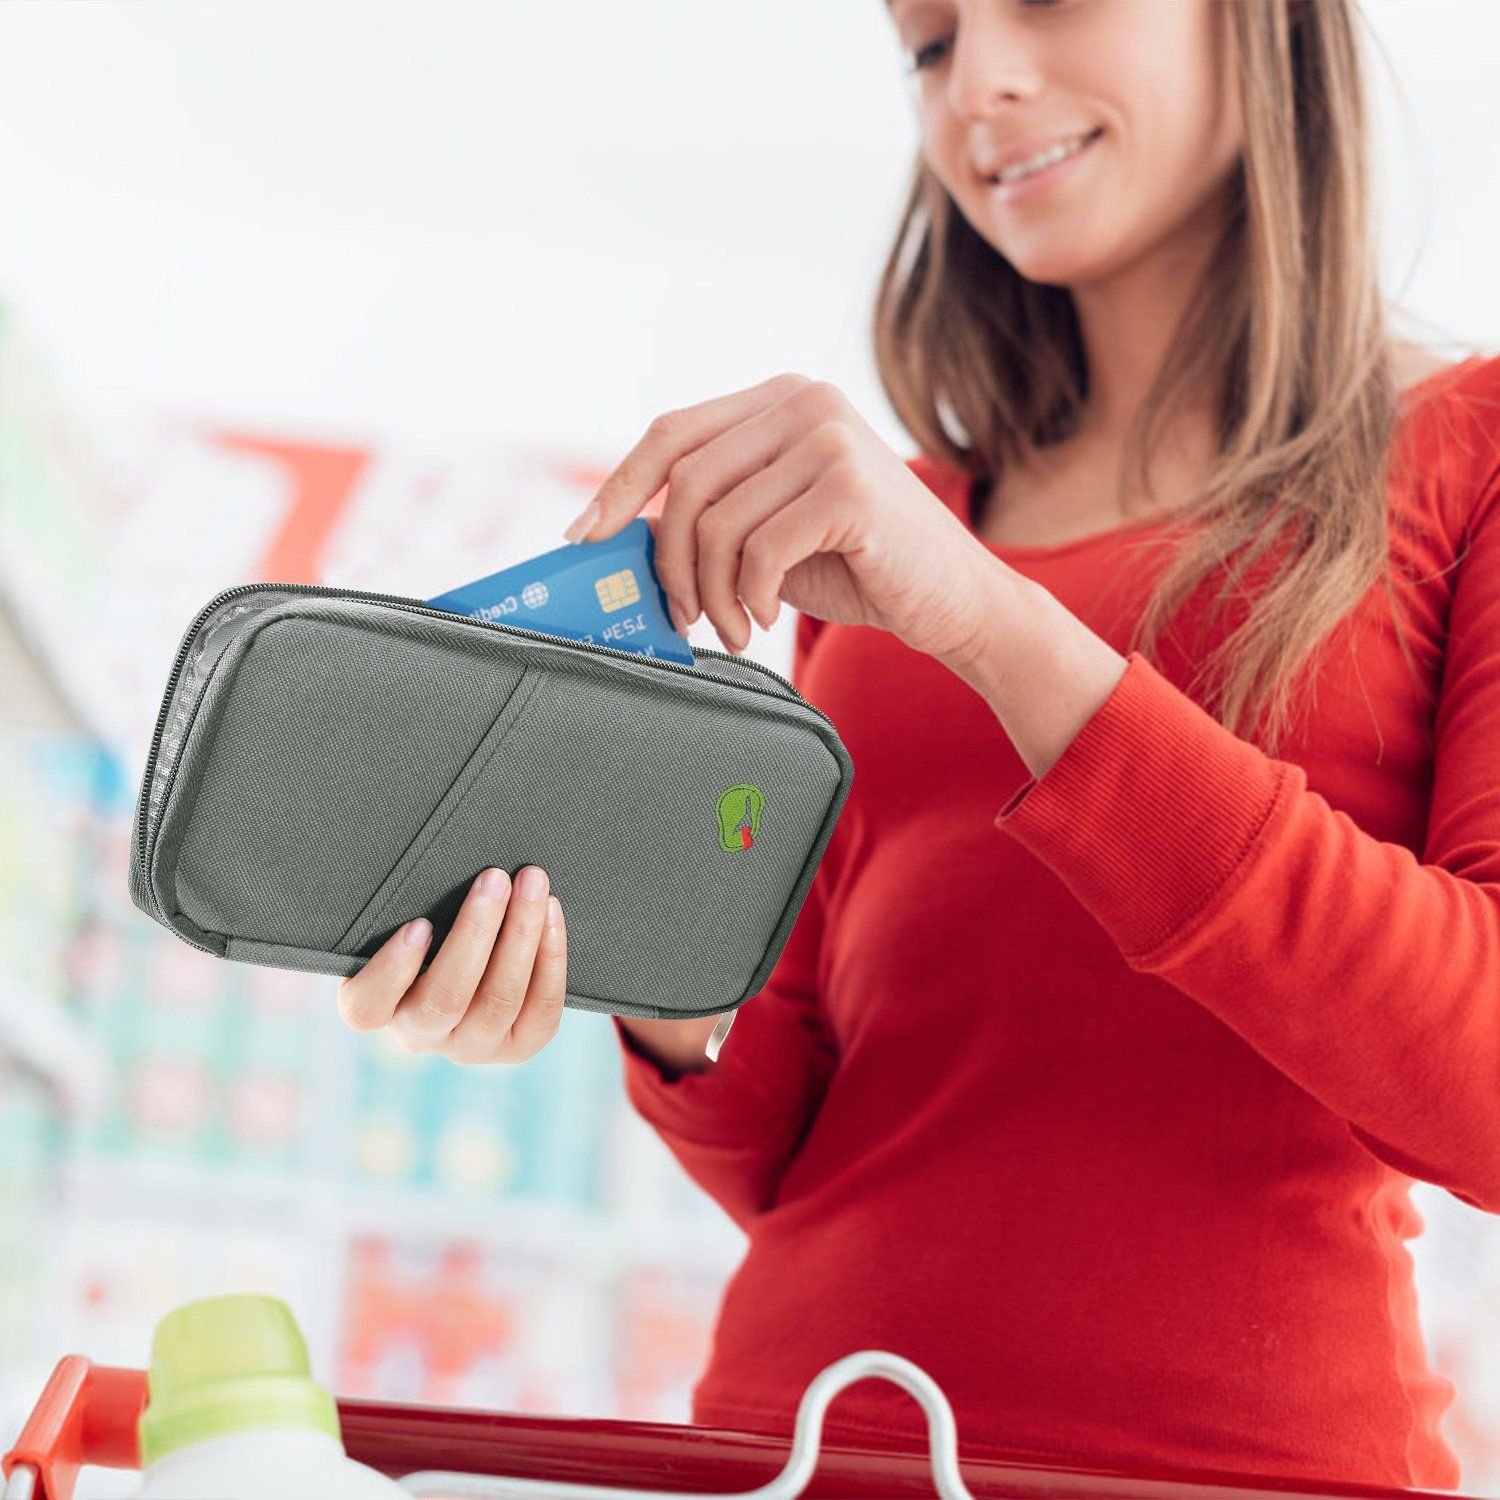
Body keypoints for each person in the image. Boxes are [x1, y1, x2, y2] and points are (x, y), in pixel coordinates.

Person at [333, 0, 1500, 1488]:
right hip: (791, 1443)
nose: (981, 87)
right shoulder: (893, 542)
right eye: (930, 43)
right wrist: (637, 966)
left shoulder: (1466, 452)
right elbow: (794, 1147)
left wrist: (990, 621)